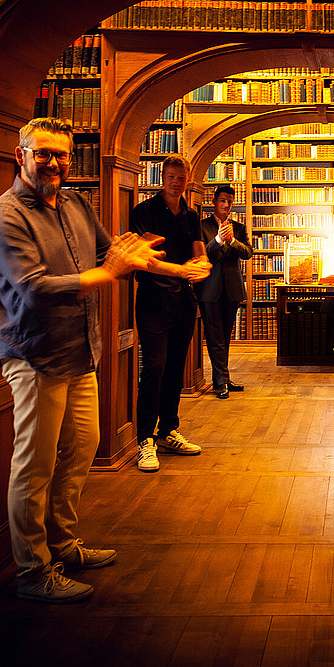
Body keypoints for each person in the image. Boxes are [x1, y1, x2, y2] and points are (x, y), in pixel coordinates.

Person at [0, 117, 165, 602]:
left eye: (62, 154)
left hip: (81, 349)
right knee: (34, 465)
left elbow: (115, 253)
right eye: (43, 153)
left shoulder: (77, 203)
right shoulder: (4, 217)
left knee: (83, 447)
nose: (55, 162)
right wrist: (108, 274)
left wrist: (176, 269)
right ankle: (32, 571)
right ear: (20, 155)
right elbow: (34, 288)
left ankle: (63, 543)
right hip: (35, 353)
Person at [130, 153, 212, 472]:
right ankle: (144, 439)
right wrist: (182, 271)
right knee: (154, 366)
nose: (177, 183)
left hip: (183, 300)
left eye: (182, 178)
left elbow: (199, 251)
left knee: (176, 367)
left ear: (187, 179)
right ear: (161, 177)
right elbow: (145, 260)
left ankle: (168, 431)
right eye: (171, 177)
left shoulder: (191, 215)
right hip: (153, 297)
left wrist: (202, 267)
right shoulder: (145, 211)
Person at [197, 184, 253, 399]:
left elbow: (248, 252)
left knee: (226, 336)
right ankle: (220, 382)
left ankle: (224, 378)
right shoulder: (203, 226)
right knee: (214, 336)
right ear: (214, 202)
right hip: (209, 290)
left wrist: (232, 241)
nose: (226, 205)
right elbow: (205, 254)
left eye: (230, 201)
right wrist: (219, 240)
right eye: (222, 201)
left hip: (232, 289)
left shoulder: (238, 228)